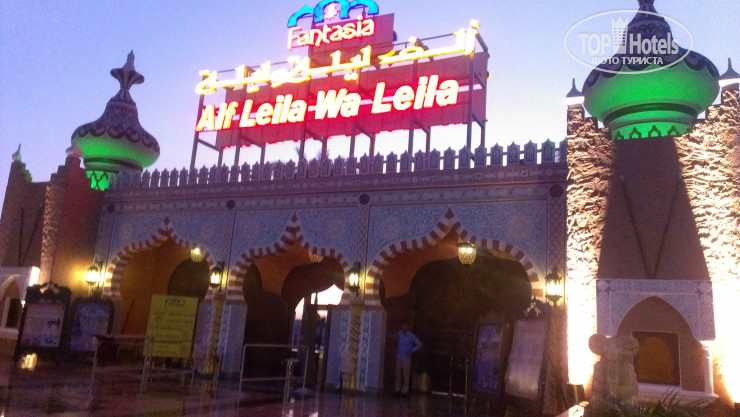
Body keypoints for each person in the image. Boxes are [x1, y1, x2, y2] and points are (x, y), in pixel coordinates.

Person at [395, 321, 422, 396]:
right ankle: (397, 389)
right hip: (399, 357)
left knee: (406, 374)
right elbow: (394, 337)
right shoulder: (400, 334)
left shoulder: (411, 336)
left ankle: (405, 390)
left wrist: (412, 351)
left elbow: (419, 344)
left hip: (406, 358)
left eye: (405, 326)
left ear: (408, 327)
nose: (404, 327)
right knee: (398, 374)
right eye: (403, 326)